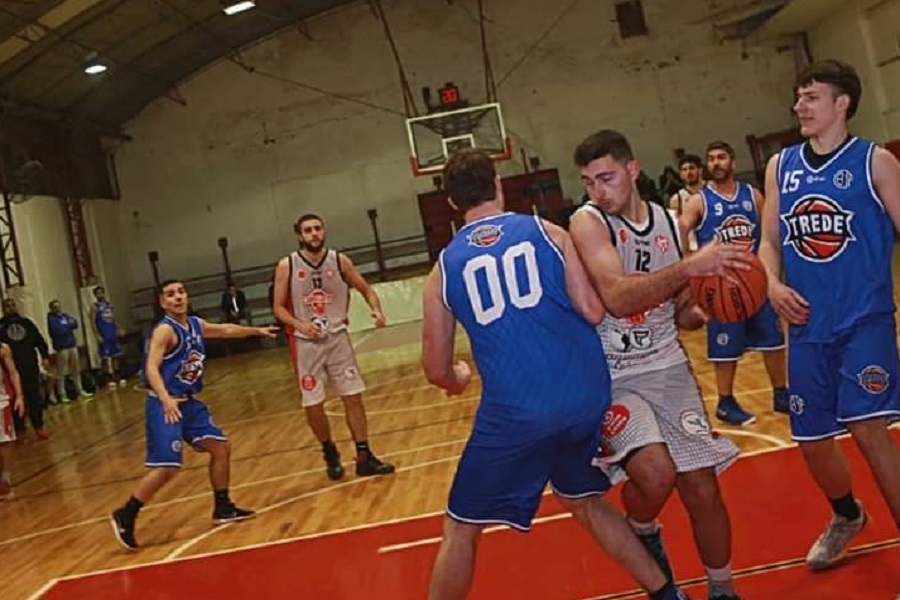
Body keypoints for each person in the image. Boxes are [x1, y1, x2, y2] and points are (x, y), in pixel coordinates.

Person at [423, 148, 690, 600]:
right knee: (582, 499)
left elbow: (435, 368)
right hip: (584, 397)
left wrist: (458, 377)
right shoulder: (549, 233)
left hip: (518, 411)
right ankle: (667, 594)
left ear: (451, 202)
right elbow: (591, 310)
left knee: (461, 527)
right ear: (498, 184)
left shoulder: (443, 270)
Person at [570, 130, 752, 600]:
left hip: (667, 366)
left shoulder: (670, 224)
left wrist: (705, 307)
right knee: (655, 474)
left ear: (632, 170)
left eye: (606, 178)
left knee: (703, 489)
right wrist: (690, 267)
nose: (597, 190)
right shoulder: (588, 222)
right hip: (611, 374)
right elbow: (617, 296)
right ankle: (642, 526)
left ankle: (723, 589)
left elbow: (680, 309)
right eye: (589, 182)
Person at [758, 59, 900, 575]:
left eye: (811, 96)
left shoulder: (875, 161)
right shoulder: (781, 166)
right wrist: (771, 284)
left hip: (865, 321)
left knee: (867, 428)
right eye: (798, 96)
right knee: (812, 440)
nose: (800, 105)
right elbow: (768, 243)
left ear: (842, 103)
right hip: (805, 328)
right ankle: (847, 515)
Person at [110, 279, 278, 550]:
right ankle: (126, 513)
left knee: (221, 447)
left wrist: (256, 330)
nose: (177, 297)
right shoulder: (165, 330)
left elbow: (225, 329)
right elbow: (151, 368)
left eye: (181, 292)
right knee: (169, 467)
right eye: (170, 294)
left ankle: (223, 507)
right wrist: (166, 400)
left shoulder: (195, 325)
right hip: (165, 403)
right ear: (162, 302)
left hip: (188, 403)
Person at [272, 214, 394, 480]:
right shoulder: (287, 265)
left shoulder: (339, 260)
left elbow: (366, 289)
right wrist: (300, 325)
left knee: (353, 395)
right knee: (313, 403)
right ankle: (328, 449)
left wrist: (376, 310)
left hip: (337, 338)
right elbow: (278, 308)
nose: (314, 233)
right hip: (306, 343)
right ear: (299, 235)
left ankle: (364, 456)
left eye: (317, 228)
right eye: (308, 230)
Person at [678, 140, 789, 424]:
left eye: (721, 157)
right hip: (721, 286)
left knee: (773, 340)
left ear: (733, 162)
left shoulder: (752, 195)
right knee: (725, 348)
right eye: (711, 159)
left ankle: (781, 393)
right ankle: (725, 402)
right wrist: (689, 263)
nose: (716, 163)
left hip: (755, 281)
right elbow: (680, 228)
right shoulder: (700, 201)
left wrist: (774, 272)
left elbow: (769, 234)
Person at [0, 298, 51, 441]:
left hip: (30, 366)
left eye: (12, 305)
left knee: (34, 397)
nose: (10, 308)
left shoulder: (26, 323)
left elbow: (39, 340)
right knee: (15, 398)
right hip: (11, 369)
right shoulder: (1, 326)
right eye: (7, 306)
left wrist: (45, 356)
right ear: (3, 309)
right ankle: (19, 429)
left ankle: (38, 425)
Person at [47, 299, 93, 403]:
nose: (58, 309)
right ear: (51, 309)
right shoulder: (51, 319)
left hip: (72, 345)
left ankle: (80, 390)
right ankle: (62, 394)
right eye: (55, 307)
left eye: (59, 306)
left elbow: (75, 323)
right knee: (61, 372)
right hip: (62, 348)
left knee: (76, 369)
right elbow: (57, 331)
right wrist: (68, 326)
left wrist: (66, 326)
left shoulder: (65, 315)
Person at [0, 342, 24, 499]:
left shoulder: (3, 349)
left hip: (1, 402)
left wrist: (19, 396)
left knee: (5, 441)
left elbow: (13, 372)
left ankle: (5, 479)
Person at [91, 286, 126, 388]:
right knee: (106, 357)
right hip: (103, 334)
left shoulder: (108, 305)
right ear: (95, 295)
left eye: (101, 292)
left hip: (112, 333)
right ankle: (108, 378)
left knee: (116, 355)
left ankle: (117, 375)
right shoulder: (94, 307)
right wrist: (97, 335)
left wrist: (119, 328)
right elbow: (92, 322)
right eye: (98, 293)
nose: (100, 295)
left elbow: (113, 319)